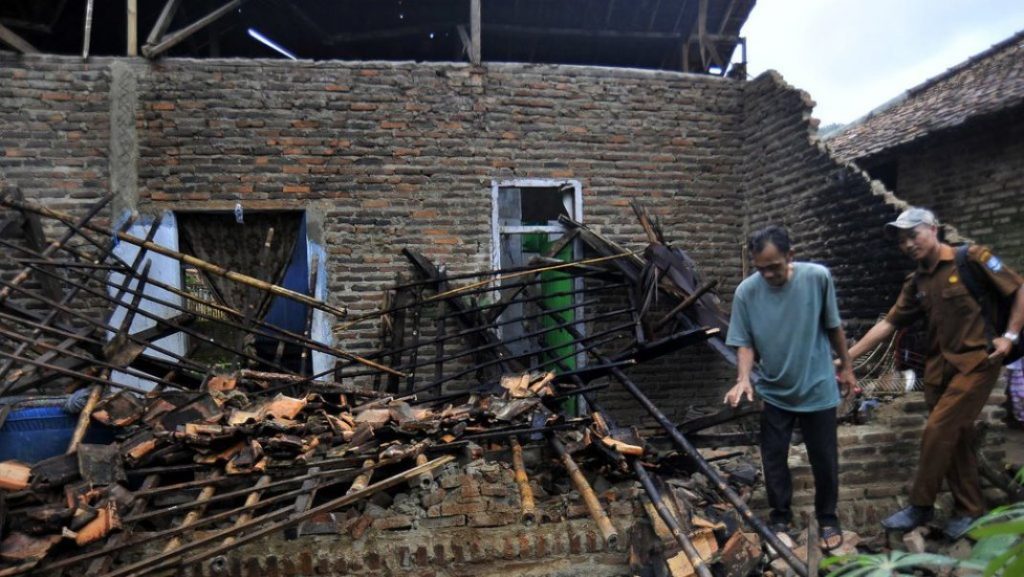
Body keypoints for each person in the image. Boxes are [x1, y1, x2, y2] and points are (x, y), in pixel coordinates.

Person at [847, 207, 1024, 539]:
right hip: (937, 370)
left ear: (934, 229)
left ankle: (920, 504)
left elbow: (1018, 289)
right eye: (902, 240)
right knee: (956, 438)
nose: (908, 244)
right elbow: (888, 323)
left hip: (977, 362)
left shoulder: (972, 257)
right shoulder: (916, 282)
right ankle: (970, 509)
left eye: (913, 235)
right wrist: (847, 359)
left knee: (938, 429)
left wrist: (1010, 336)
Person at [724, 225, 856, 552]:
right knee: (774, 459)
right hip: (774, 390)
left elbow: (834, 326)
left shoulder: (817, 278)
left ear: (790, 256)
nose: (768, 274)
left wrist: (848, 368)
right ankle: (780, 517)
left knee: (824, 459)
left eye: (775, 266)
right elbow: (744, 343)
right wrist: (743, 379)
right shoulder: (746, 292)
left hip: (818, 388)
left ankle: (828, 518)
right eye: (761, 268)